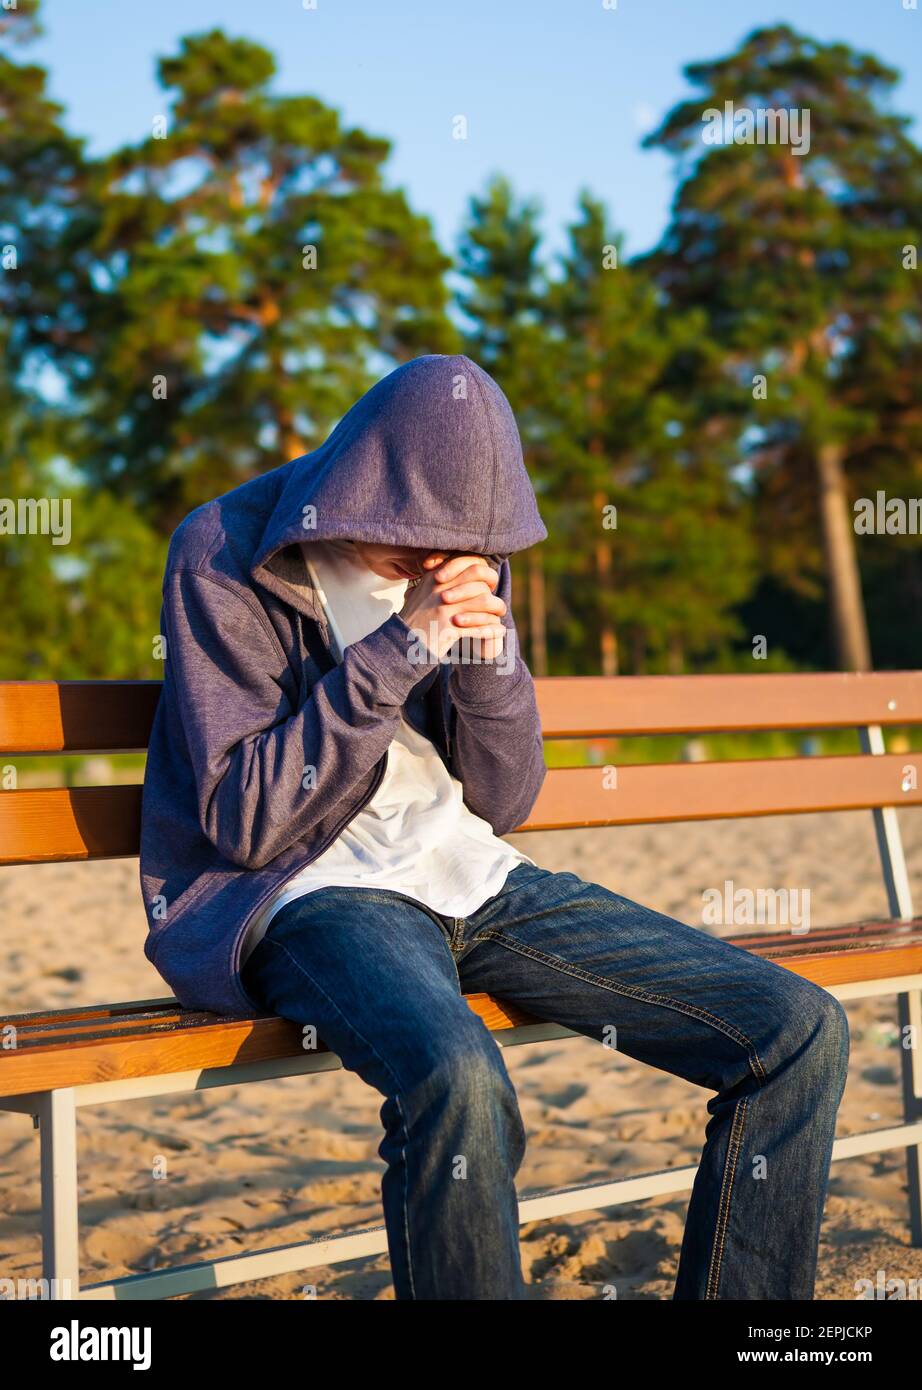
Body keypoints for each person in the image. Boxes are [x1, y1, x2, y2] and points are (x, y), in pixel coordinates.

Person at [140, 353, 849, 1301]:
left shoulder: (466, 557)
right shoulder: (223, 550)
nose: (439, 569)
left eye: (465, 553)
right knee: (460, 1084)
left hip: (473, 874)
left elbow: (504, 801)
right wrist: (399, 650)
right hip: (311, 891)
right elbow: (246, 820)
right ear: (368, 491)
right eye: (416, 551)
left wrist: (486, 658)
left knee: (798, 1030)